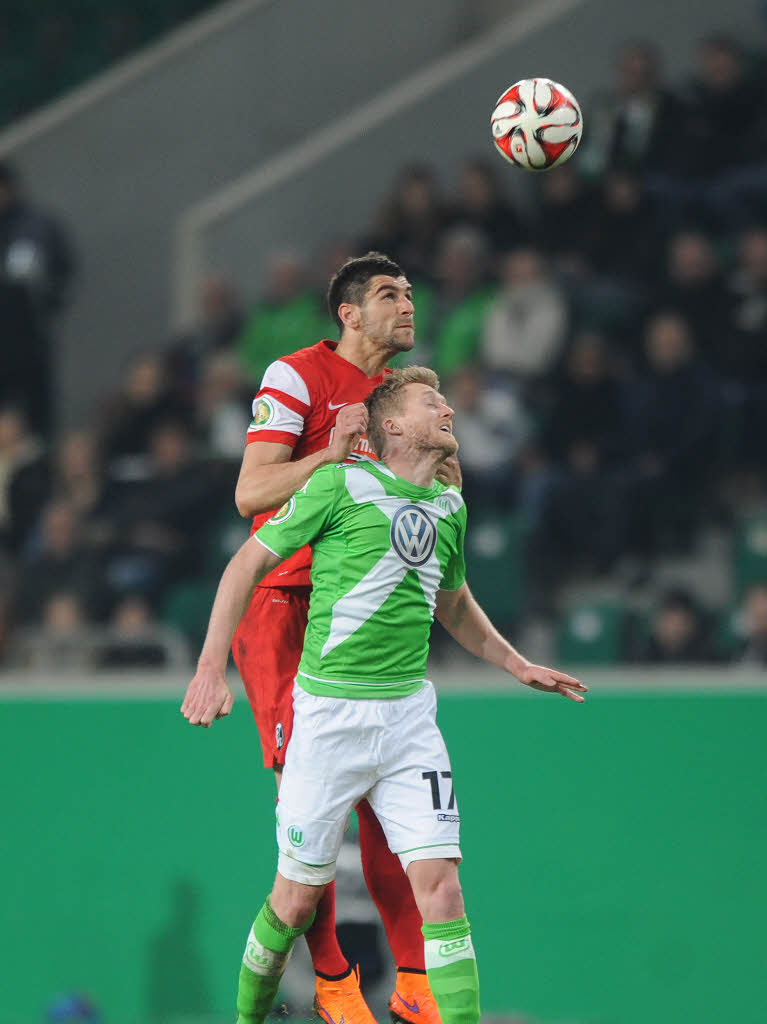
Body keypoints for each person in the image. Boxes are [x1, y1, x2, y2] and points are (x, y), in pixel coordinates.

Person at [181, 367, 587, 1024]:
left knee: (443, 889)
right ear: (391, 425)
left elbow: (451, 605)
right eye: (432, 401)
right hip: (328, 720)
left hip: (407, 724)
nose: (449, 407)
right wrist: (208, 668)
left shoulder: (448, 508)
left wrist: (515, 663)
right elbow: (245, 564)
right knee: (295, 902)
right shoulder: (340, 484)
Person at [230, 252, 459, 1023]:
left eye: (410, 294)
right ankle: (332, 979)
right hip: (281, 609)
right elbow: (250, 490)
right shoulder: (298, 377)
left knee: (389, 808)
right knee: (313, 805)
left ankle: (415, 981)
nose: (407, 306)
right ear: (348, 313)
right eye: (390, 295)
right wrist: (327, 455)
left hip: (355, 612)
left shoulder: (403, 398)